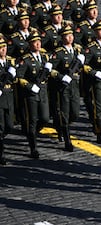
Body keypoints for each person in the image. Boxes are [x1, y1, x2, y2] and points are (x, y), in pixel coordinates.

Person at [48, 25, 84, 152]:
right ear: (62, 38)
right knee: (64, 112)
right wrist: (61, 77)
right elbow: (50, 69)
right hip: (63, 86)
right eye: (67, 35)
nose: (70, 37)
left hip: (74, 84)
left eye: (71, 35)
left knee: (74, 112)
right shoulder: (58, 53)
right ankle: (67, 140)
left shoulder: (77, 50)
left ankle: (59, 125)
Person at [17, 31, 53, 159]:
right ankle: (33, 147)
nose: (38, 44)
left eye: (39, 41)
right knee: (32, 120)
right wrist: (30, 86)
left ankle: (32, 133)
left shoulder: (44, 57)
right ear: (30, 44)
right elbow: (19, 78)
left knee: (44, 118)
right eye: (34, 42)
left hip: (42, 90)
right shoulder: (25, 60)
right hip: (31, 93)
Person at [0, 35, 17, 165]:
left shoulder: (10, 61)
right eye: (1, 48)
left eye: (4, 47)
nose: (3, 50)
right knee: (0, 126)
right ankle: (1, 154)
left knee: (9, 126)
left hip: (9, 96)